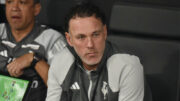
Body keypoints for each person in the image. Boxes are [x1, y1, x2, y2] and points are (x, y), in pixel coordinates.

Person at [46, 3, 144, 101]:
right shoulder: (60, 62)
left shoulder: (127, 66)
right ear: (69, 39)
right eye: (81, 37)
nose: (90, 45)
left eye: (95, 35)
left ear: (105, 32)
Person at [0, 0, 66, 101]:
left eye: (22, 2)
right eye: (9, 2)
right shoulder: (1, 31)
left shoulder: (52, 39)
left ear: (36, 9)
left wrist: (35, 60)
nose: (14, 8)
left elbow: (64, 90)